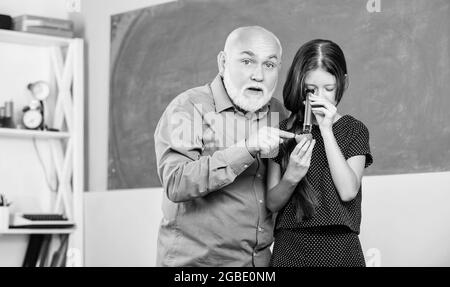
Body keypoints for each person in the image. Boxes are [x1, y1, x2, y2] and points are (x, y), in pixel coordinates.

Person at [154, 26, 294, 266]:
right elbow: (176, 182)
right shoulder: (189, 108)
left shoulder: (277, 112)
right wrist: (246, 148)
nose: (258, 75)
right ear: (223, 62)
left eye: (269, 65)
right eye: (247, 61)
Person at [266, 39, 373, 267]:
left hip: (341, 248)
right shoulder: (282, 131)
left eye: (329, 89)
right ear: (299, 85)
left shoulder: (354, 130)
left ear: (343, 83)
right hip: (290, 249)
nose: (320, 97)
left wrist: (326, 131)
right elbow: (272, 202)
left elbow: (348, 191)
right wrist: (292, 176)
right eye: (311, 90)